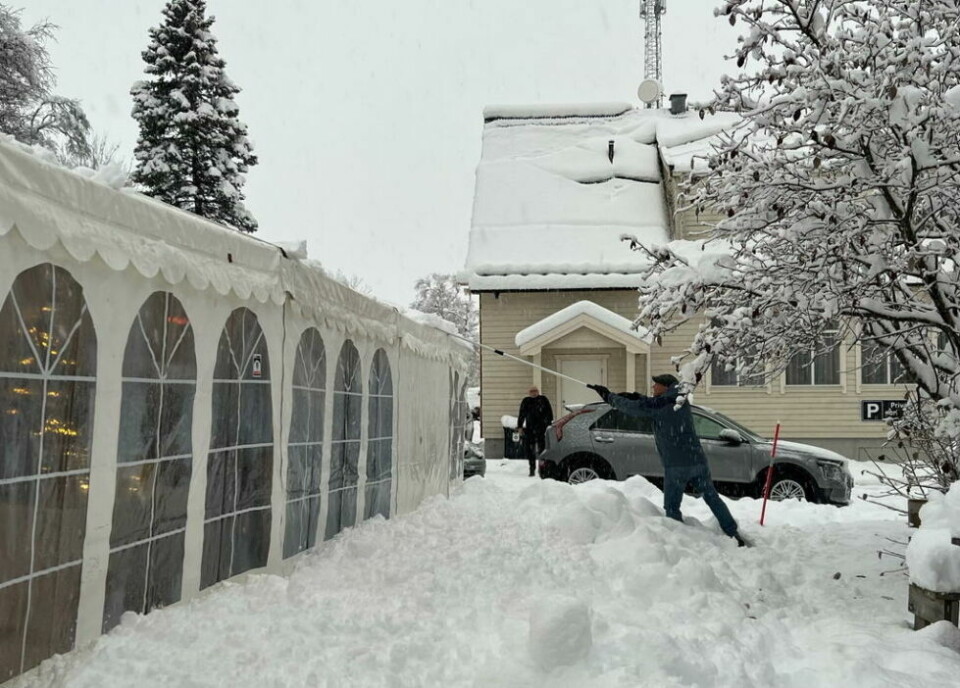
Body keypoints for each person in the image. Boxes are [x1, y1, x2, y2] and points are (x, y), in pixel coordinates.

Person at [587, 374, 750, 547]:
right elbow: (652, 403)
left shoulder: (660, 404)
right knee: (712, 498)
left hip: (676, 466)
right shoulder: (680, 400)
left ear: (665, 387)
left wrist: (609, 397)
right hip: (697, 461)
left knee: (672, 506)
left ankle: (678, 543)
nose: (653, 387)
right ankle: (733, 533)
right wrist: (636, 397)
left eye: (656, 385)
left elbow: (635, 408)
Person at [517, 386, 553, 477]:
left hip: (542, 428)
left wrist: (549, 424)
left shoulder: (543, 399)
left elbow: (549, 413)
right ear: (529, 393)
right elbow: (521, 414)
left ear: (538, 391)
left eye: (535, 391)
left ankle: (543, 469)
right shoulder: (526, 401)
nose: (534, 393)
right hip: (530, 429)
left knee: (543, 449)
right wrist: (520, 426)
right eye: (532, 391)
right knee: (529, 449)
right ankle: (532, 468)